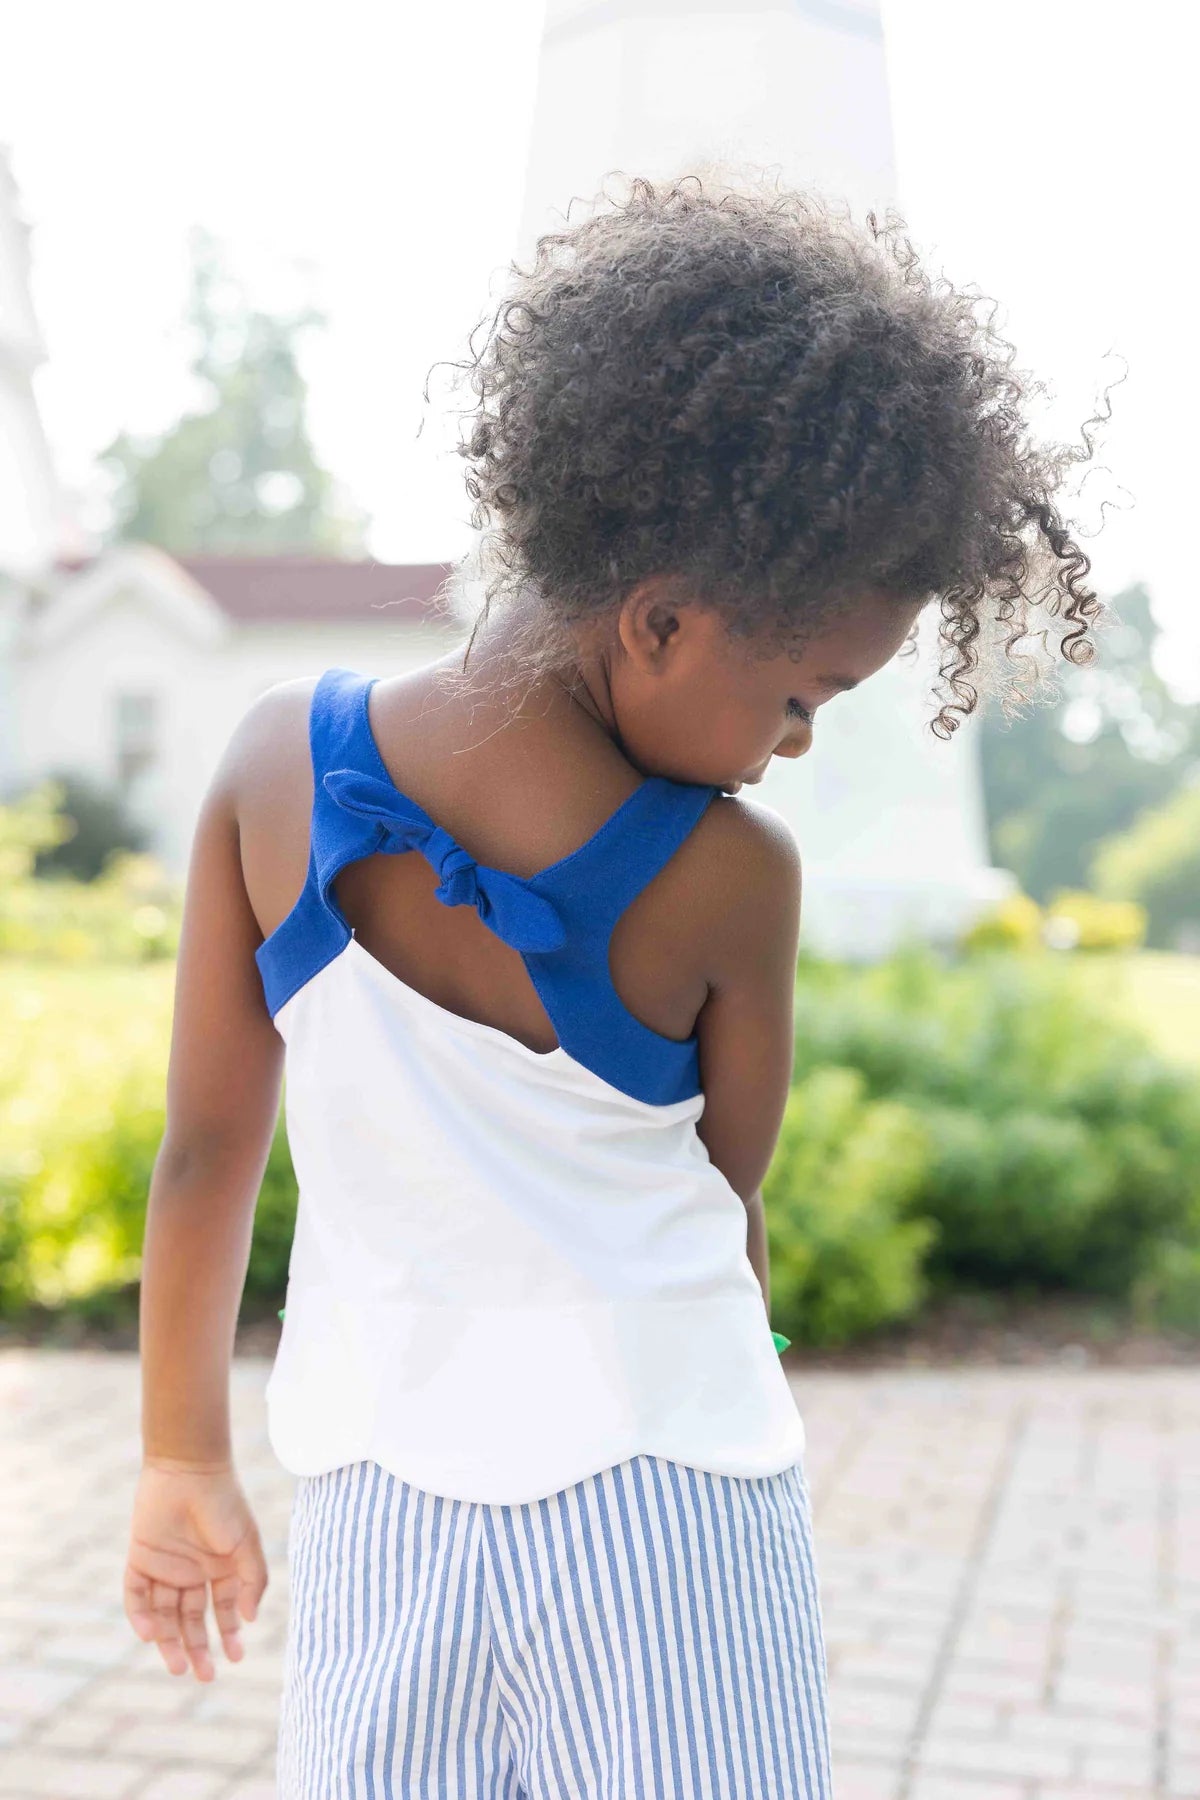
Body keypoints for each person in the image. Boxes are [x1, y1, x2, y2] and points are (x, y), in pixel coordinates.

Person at [123, 173, 1104, 1797]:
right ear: (659, 621)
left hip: (381, 1488)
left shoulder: (268, 764)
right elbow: (726, 1204)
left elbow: (206, 1157)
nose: (795, 746)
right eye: (802, 695)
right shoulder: (732, 880)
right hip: (668, 1491)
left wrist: (179, 1459)